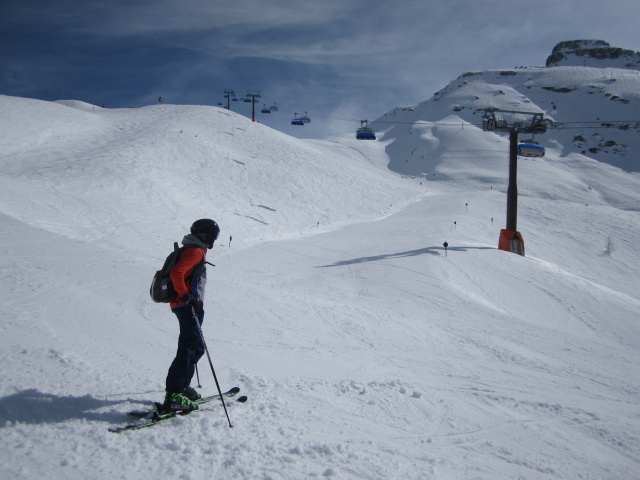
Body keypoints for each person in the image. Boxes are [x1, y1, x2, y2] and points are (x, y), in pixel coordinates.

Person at [162, 218, 220, 413]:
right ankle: (174, 394)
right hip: (187, 306)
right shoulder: (194, 251)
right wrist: (187, 297)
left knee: (196, 348)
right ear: (206, 236)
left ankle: (182, 388)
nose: (214, 239)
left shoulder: (194, 249)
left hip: (189, 305)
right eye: (214, 236)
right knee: (187, 349)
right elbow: (177, 273)